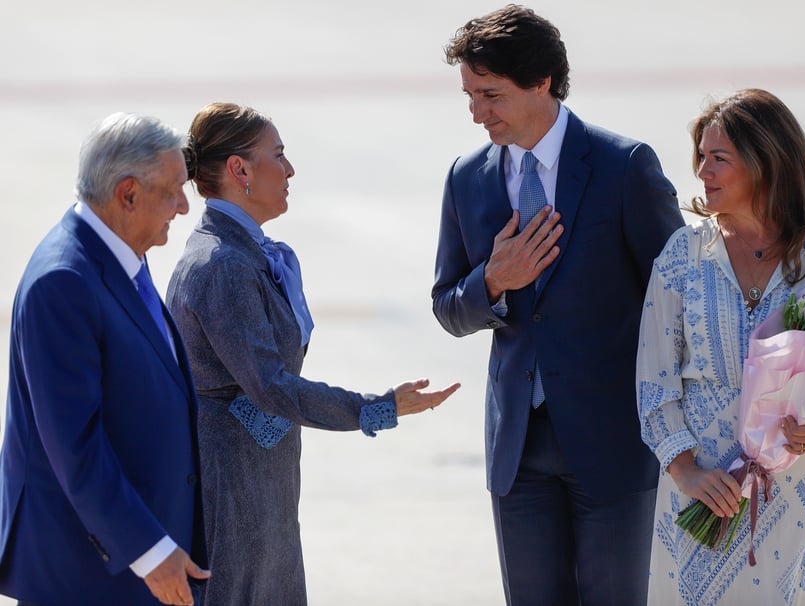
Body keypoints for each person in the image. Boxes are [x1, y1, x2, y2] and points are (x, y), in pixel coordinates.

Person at [431, 5, 685, 605]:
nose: (476, 112)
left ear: (541, 81)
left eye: (490, 94)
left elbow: (681, 301)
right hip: (518, 453)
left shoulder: (624, 166)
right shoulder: (467, 178)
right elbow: (448, 306)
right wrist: (492, 282)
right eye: (469, 95)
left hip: (615, 445)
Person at [165, 101, 460, 606]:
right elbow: (272, 386)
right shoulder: (222, 265)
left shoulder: (244, 252)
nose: (290, 169)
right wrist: (376, 407)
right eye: (277, 155)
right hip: (231, 487)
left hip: (263, 480)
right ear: (239, 171)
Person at [637, 88, 805, 604]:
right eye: (701, 158)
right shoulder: (683, 255)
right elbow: (652, 379)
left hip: (791, 496)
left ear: (766, 163)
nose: (703, 172)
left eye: (718, 159)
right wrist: (686, 471)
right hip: (698, 492)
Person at [0, 113, 208, 605]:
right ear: (128, 193)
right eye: (174, 189)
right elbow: (75, 445)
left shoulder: (121, 254)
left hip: (135, 557)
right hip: (89, 572)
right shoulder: (63, 282)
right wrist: (151, 551)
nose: (183, 206)